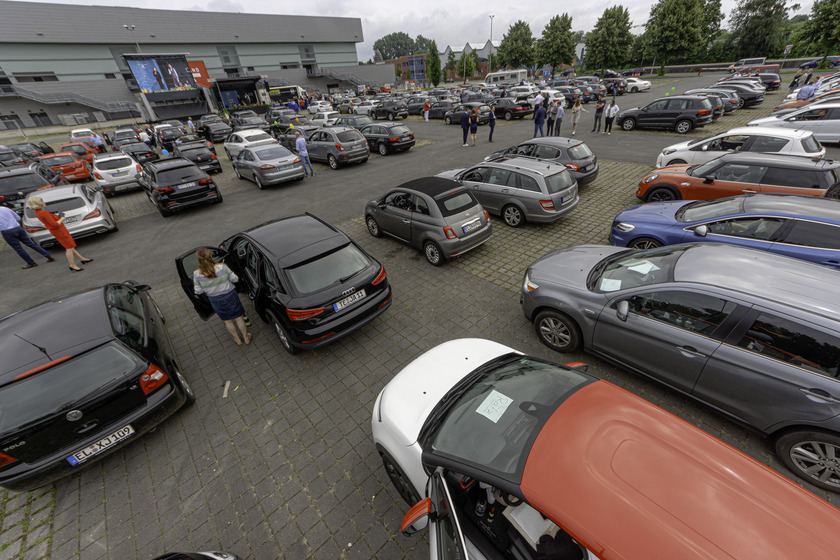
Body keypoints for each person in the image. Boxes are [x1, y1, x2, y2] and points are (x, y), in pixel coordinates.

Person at [192, 248, 252, 346]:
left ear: (198, 259)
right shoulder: (222, 267)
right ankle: (246, 337)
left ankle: (237, 339)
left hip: (215, 300)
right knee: (239, 318)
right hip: (230, 296)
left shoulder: (196, 274)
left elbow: (198, 291)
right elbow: (235, 279)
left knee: (227, 321)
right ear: (211, 256)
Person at [27, 196, 91, 272]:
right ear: (39, 204)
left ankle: (82, 259)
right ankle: (72, 265)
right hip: (59, 230)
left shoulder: (37, 212)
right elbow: (55, 224)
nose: (44, 203)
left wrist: (57, 217)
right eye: (42, 201)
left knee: (70, 246)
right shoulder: (44, 213)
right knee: (69, 247)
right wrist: (61, 219)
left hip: (57, 231)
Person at [0, 205, 54, 269]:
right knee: (30, 243)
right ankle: (48, 255)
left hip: (7, 231)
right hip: (17, 228)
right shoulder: (5, 208)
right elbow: (18, 218)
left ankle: (31, 262)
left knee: (18, 248)